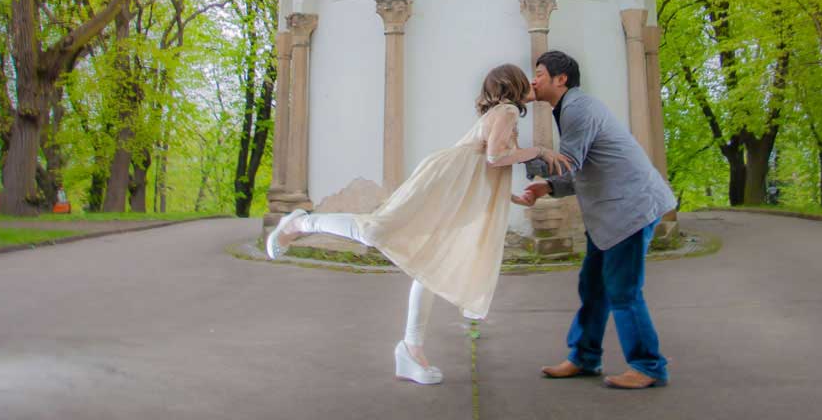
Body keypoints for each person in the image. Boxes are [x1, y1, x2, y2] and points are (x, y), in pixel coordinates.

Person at [265, 63, 573, 385]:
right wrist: (539, 151)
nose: (532, 81)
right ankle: (302, 223)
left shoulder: (501, 114)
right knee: (376, 231)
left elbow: (487, 168)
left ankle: (411, 351)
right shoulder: (508, 111)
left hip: (452, 188)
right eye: (528, 77)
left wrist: (513, 198)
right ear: (513, 84)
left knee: (429, 263)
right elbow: (494, 159)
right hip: (443, 186)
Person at [512, 49, 676, 389]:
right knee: (593, 286)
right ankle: (584, 357)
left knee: (623, 290)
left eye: (539, 73)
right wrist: (546, 187)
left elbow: (567, 162)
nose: (534, 79)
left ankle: (648, 366)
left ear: (562, 79)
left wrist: (514, 153)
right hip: (610, 216)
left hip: (629, 210)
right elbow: (577, 168)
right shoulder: (570, 109)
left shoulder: (578, 108)